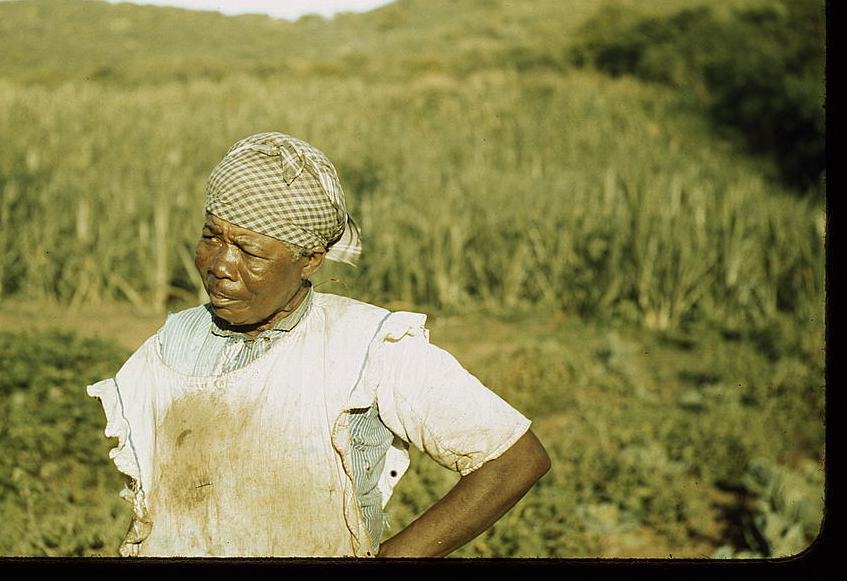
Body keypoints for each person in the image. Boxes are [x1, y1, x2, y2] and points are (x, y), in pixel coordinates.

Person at [87, 131, 550, 558]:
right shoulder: (170, 345)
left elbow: (514, 459)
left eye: (249, 251)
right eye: (212, 237)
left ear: (309, 260)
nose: (220, 265)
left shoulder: (369, 346)